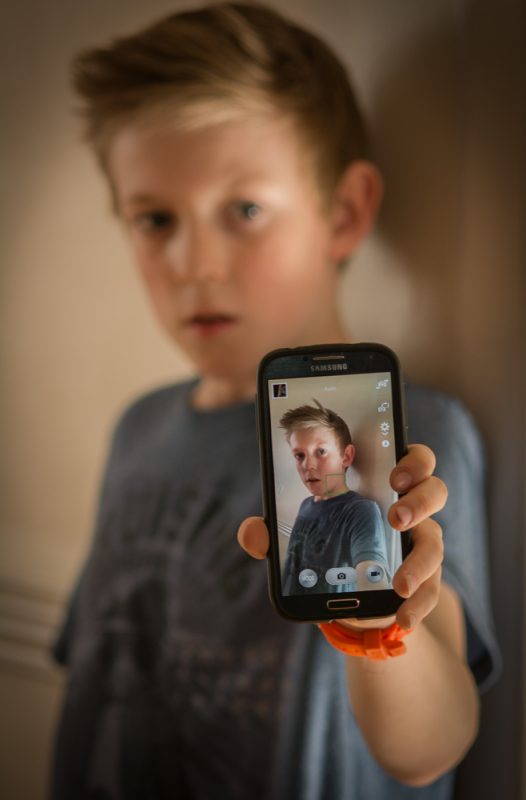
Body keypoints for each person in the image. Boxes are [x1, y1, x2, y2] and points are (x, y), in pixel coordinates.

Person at [51, 3, 500, 799]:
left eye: (246, 209)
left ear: (344, 212)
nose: (194, 264)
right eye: (155, 218)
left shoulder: (418, 437)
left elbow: (432, 746)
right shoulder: (138, 428)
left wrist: (377, 628)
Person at [279, 399, 390, 594]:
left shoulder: (361, 510)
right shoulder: (306, 505)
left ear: (346, 457)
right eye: (299, 455)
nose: (308, 465)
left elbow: (371, 573)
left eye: (320, 452)